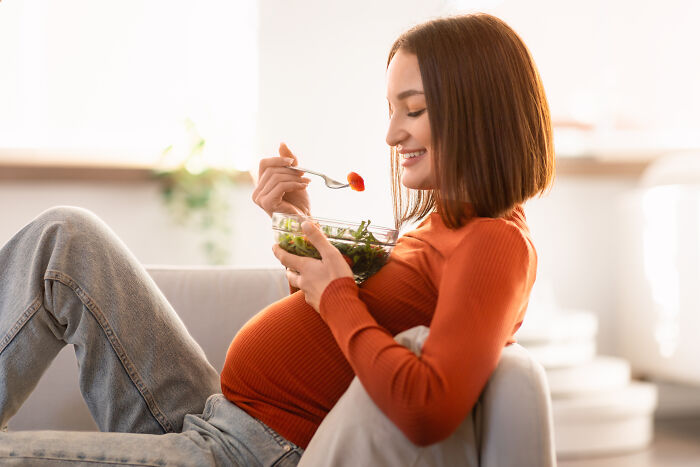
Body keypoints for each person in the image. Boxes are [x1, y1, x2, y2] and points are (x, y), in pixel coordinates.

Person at [0, 12, 553, 467]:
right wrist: (296, 222)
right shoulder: (441, 225)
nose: (391, 134)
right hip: (219, 415)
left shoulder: (494, 244)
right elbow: (329, 347)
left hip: (247, 453)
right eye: (391, 111)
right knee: (66, 237)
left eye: (414, 109)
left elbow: (427, 409)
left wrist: (337, 294)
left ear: (477, 112)